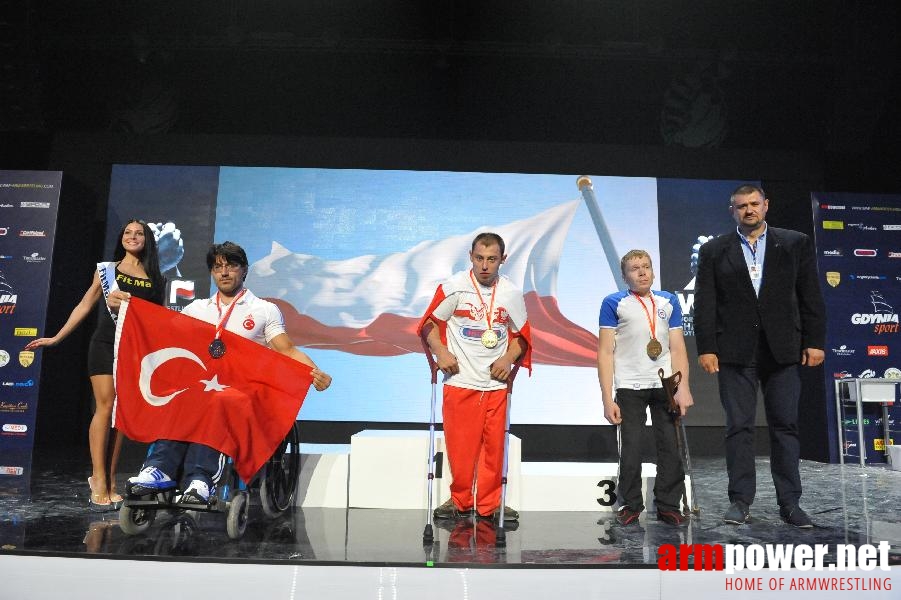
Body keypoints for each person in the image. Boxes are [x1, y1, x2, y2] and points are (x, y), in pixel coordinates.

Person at [126, 241, 332, 503]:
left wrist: (315, 372)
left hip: (242, 391)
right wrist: (129, 308)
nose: (223, 272)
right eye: (217, 267)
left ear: (243, 270)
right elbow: (161, 334)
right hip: (202, 386)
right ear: (212, 273)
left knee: (220, 400)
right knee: (180, 396)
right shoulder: (196, 310)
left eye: (231, 266)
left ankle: (201, 479)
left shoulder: (263, 310)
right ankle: (159, 469)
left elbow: (287, 350)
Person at [694, 184, 826, 528]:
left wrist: (814, 340)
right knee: (738, 427)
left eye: (754, 204)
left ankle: (790, 503)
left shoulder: (794, 243)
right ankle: (739, 501)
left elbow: (810, 293)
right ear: (732, 210)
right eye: (741, 206)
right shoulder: (714, 250)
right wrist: (706, 347)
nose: (748, 210)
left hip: (782, 349)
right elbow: (705, 303)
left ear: (766, 205)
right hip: (735, 351)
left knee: (785, 426)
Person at [25, 219, 165, 510]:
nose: (132, 236)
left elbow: (158, 321)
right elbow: (85, 305)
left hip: (132, 350)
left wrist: (130, 307)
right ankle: (98, 478)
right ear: (121, 238)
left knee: (121, 414)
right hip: (104, 344)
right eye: (127, 232)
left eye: (139, 233)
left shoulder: (156, 278)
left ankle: (112, 480)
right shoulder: (107, 270)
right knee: (106, 405)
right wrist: (56, 338)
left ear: (147, 239)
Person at [418, 232, 531, 522]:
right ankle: (460, 501)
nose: (484, 265)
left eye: (491, 259)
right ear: (470, 256)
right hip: (460, 382)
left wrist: (507, 359)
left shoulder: (511, 294)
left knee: (494, 449)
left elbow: (522, 337)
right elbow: (429, 324)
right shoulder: (454, 287)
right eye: (479, 258)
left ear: (502, 260)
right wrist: (441, 352)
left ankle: (490, 504)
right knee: (460, 448)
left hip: (495, 385)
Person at [597, 250, 694, 526]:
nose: (642, 272)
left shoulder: (669, 301)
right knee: (632, 447)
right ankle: (630, 504)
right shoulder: (614, 303)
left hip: (664, 384)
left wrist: (683, 386)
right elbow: (605, 352)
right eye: (635, 268)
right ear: (624, 275)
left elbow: (677, 347)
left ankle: (668, 504)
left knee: (669, 447)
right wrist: (607, 398)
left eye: (646, 267)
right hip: (629, 386)